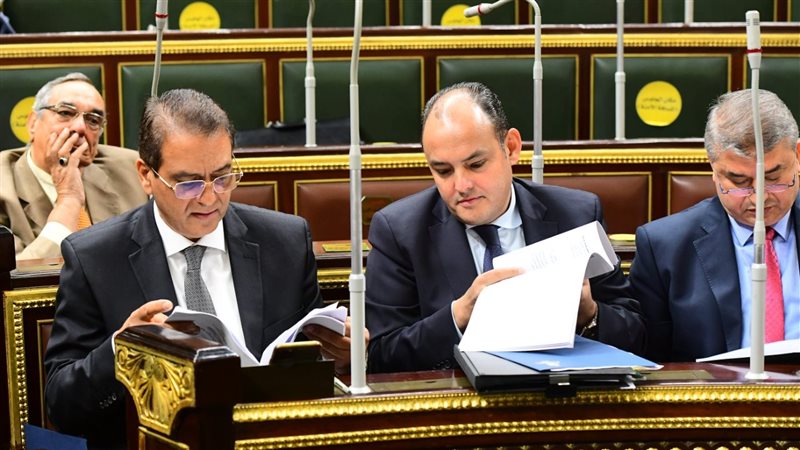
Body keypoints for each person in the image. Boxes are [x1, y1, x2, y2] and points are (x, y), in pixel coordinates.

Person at [44, 89, 363, 449]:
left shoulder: (285, 242)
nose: (209, 198)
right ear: (146, 175)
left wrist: (343, 358)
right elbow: (62, 405)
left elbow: (313, 370)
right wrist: (122, 350)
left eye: (223, 177)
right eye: (189, 183)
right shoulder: (96, 258)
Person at [364, 82, 645, 373]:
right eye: (443, 171)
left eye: (476, 164)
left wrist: (589, 313)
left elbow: (636, 334)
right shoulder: (399, 232)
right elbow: (382, 357)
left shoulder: (576, 214)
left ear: (511, 148)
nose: (461, 185)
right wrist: (459, 315)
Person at [629, 89, 800, 362]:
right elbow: (649, 359)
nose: (759, 197)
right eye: (739, 182)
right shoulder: (665, 247)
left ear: (798, 156)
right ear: (714, 169)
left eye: (772, 177)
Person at [0, 72, 146, 260]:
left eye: (93, 120)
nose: (80, 127)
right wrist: (69, 201)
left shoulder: (134, 169)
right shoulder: (4, 185)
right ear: (33, 123)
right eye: (65, 113)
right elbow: (14, 274)